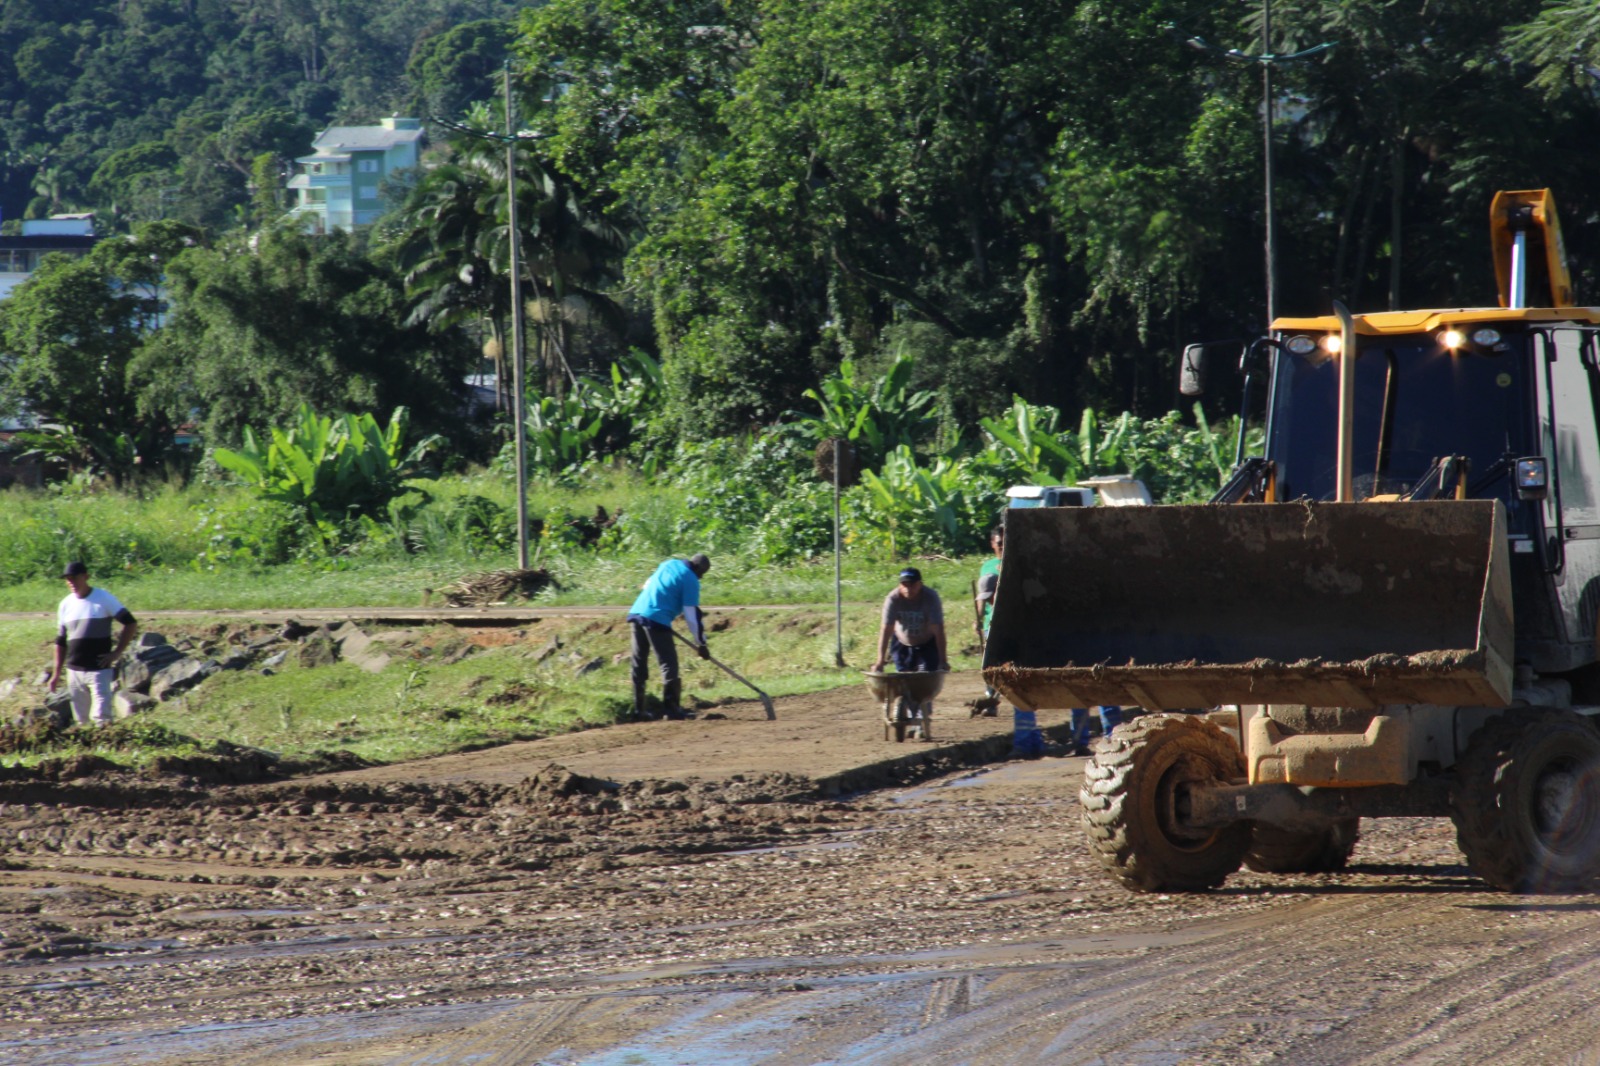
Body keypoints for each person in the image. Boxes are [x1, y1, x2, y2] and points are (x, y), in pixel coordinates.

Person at [48, 561, 138, 728]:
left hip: (98, 669)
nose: (71, 583)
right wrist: (56, 674)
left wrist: (117, 652)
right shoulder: (65, 605)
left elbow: (130, 623)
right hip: (74, 671)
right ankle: (85, 753)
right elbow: (60, 641)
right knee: (81, 722)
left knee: (102, 719)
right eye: (68, 579)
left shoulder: (103, 598)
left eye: (74, 578)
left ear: (86, 577)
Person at [626, 553, 711, 721]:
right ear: (699, 570)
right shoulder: (691, 579)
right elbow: (691, 614)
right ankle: (671, 709)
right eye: (702, 575)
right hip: (657, 618)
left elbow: (648, 584)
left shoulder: (669, 564)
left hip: (637, 613)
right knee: (669, 664)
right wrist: (701, 644)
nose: (700, 578)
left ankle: (638, 710)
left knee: (639, 662)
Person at [872, 567, 949, 675]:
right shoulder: (893, 599)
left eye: (912, 584)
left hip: (927, 644)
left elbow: (938, 630)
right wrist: (880, 662)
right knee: (904, 679)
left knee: (925, 677)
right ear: (900, 585)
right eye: (904, 585)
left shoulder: (931, 597)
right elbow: (886, 630)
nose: (908, 589)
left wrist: (943, 660)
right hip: (902, 643)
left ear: (920, 584)